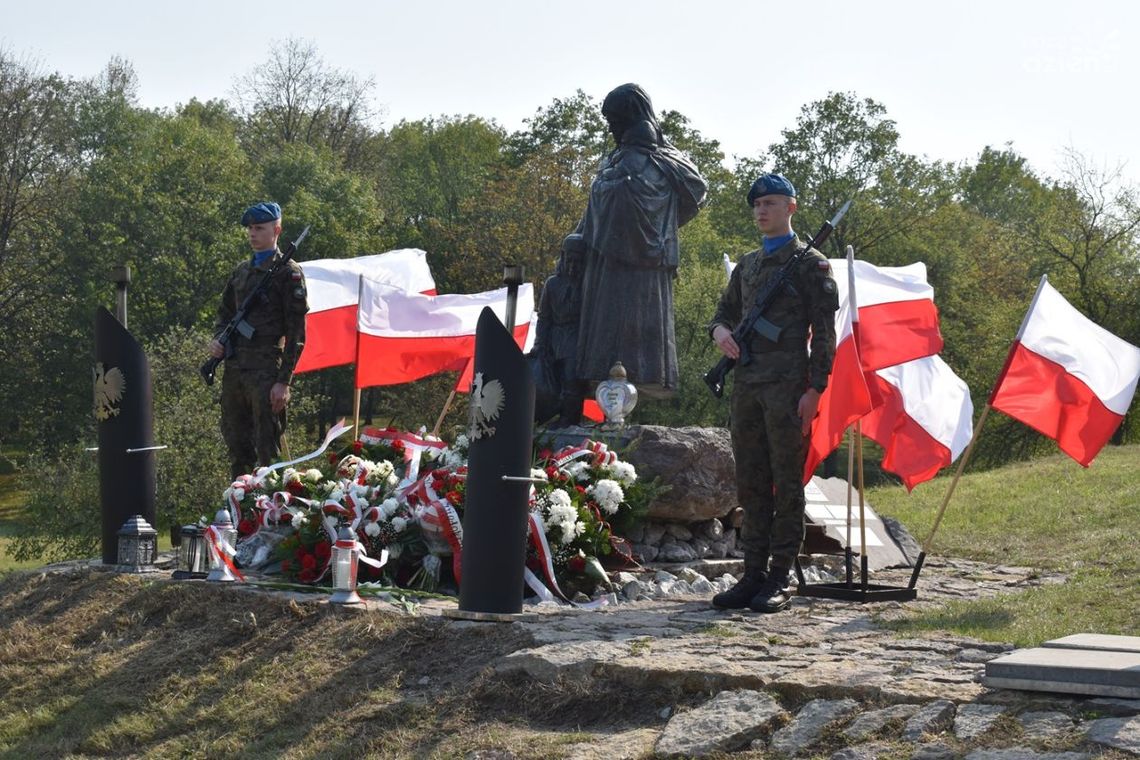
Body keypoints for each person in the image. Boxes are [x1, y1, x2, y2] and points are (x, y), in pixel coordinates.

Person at [707, 174, 839, 613]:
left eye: (771, 203)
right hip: (747, 387)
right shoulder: (747, 266)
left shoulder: (811, 265)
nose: (762, 211)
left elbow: (824, 334)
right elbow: (723, 313)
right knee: (751, 483)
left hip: (788, 389)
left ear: (790, 208)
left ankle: (781, 575)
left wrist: (816, 389)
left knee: (786, 483)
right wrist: (720, 333)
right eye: (757, 204)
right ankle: (753, 574)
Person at [574, 83, 707, 401]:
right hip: (606, 265)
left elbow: (696, 191)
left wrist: (662, 223)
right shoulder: (613, 160)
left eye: (614, 120)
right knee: (605, 344)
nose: (611, 128)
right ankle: (610, 407)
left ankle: (627, 400)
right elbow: (593, 211)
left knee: (637, 350)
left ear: (629, 116)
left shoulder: (664, 160)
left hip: (645, 269)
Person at [209, 202, 309, 479]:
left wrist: (283, 381)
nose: (253, 234)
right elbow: (225, 314)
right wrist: (218, 341)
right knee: (237, 448)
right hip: (235, 370)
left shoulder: (288, 273)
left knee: (268, 453)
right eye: (250, 228)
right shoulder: (241, 272)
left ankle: (270, 503)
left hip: (266, 372)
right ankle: (238, 502)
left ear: (276, 230)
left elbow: (296, 333)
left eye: (259, 228)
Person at [531, 233, 586, 427]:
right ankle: (551, 417)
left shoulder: (588, 285)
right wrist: (540, 344)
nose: (572, 266)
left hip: (576, 339)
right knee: (550, 380)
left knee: (572, 380)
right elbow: (544, 317)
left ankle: (569, 421)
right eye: (569, 260)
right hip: (554, 339)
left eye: (577, 261)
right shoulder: (552, 283)